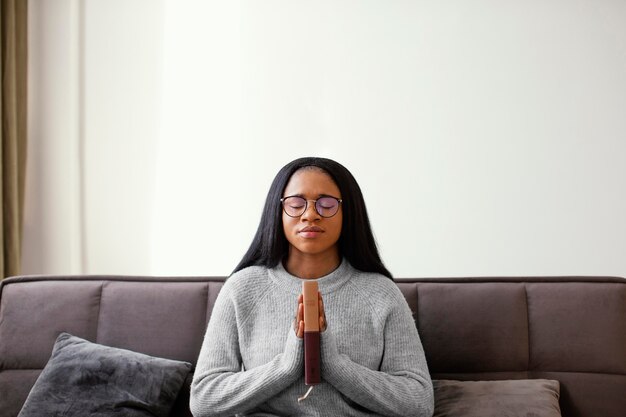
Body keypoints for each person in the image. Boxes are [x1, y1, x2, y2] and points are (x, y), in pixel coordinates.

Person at [190, 157, 434, 417]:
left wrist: (334, 365)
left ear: (347, 212)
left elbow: (418, 401)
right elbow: (204, 399)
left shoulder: (381, 293)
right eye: (296, 204)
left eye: (326, 204)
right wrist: (285, 366)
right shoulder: (242, 288)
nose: (310, 214)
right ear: (278, 211)